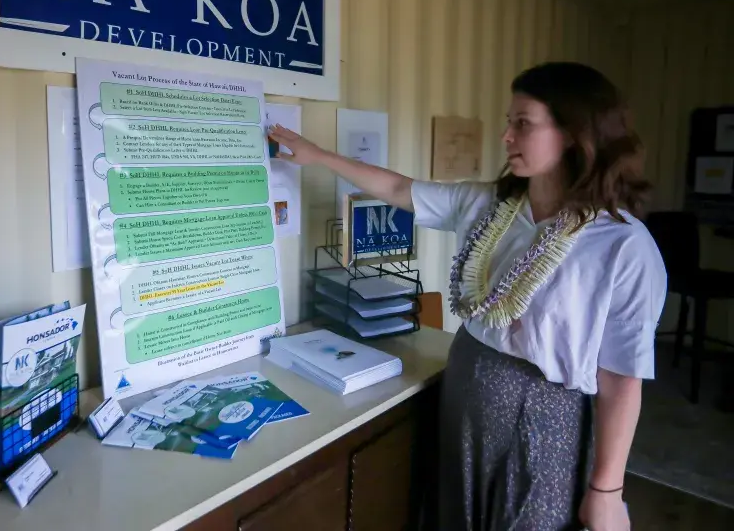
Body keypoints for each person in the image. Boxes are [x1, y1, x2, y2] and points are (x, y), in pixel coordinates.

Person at [268, 62, 667, 531]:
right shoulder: (488, 205)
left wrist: (607, 491)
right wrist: (318, 156)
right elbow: (399, 188)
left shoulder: (623, 246)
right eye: (508, 122)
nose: (506, 137)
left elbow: (622, 381)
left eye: (523, 123)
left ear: (574, 134)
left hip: (545, 418)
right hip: (467, 388)